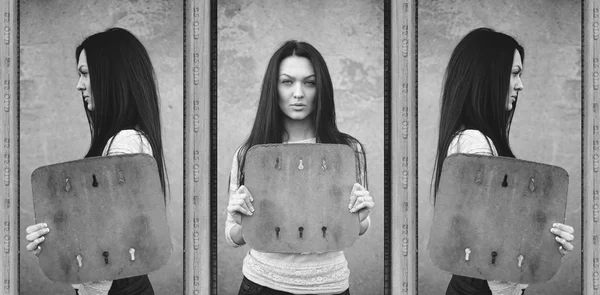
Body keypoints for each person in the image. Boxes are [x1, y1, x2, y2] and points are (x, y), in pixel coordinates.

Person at [431, 27, 575, 295]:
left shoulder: (476, 140)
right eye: (514, 73)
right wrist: (543, 238)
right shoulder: (474, 143)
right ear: (489, 76)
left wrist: (547, 239)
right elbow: (490, 238)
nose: (520, 85)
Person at [24, 27, 168, 295]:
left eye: (85, 74)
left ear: (111, 76)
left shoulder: (125, 143)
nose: (79, 85)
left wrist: (56, 235)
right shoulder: (122, 141)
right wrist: (51, 237)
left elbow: (107, 235)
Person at [225, 40, 374, 295]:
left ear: (321, 89)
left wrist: (360, 216)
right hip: (262, 284)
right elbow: (233, 236)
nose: (298, 93)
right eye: (287, 82)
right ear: (273, 88)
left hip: (330, 286)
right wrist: (242, 220)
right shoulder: (250, 153)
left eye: (309, 82)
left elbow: (358, 227)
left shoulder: (348, 151)